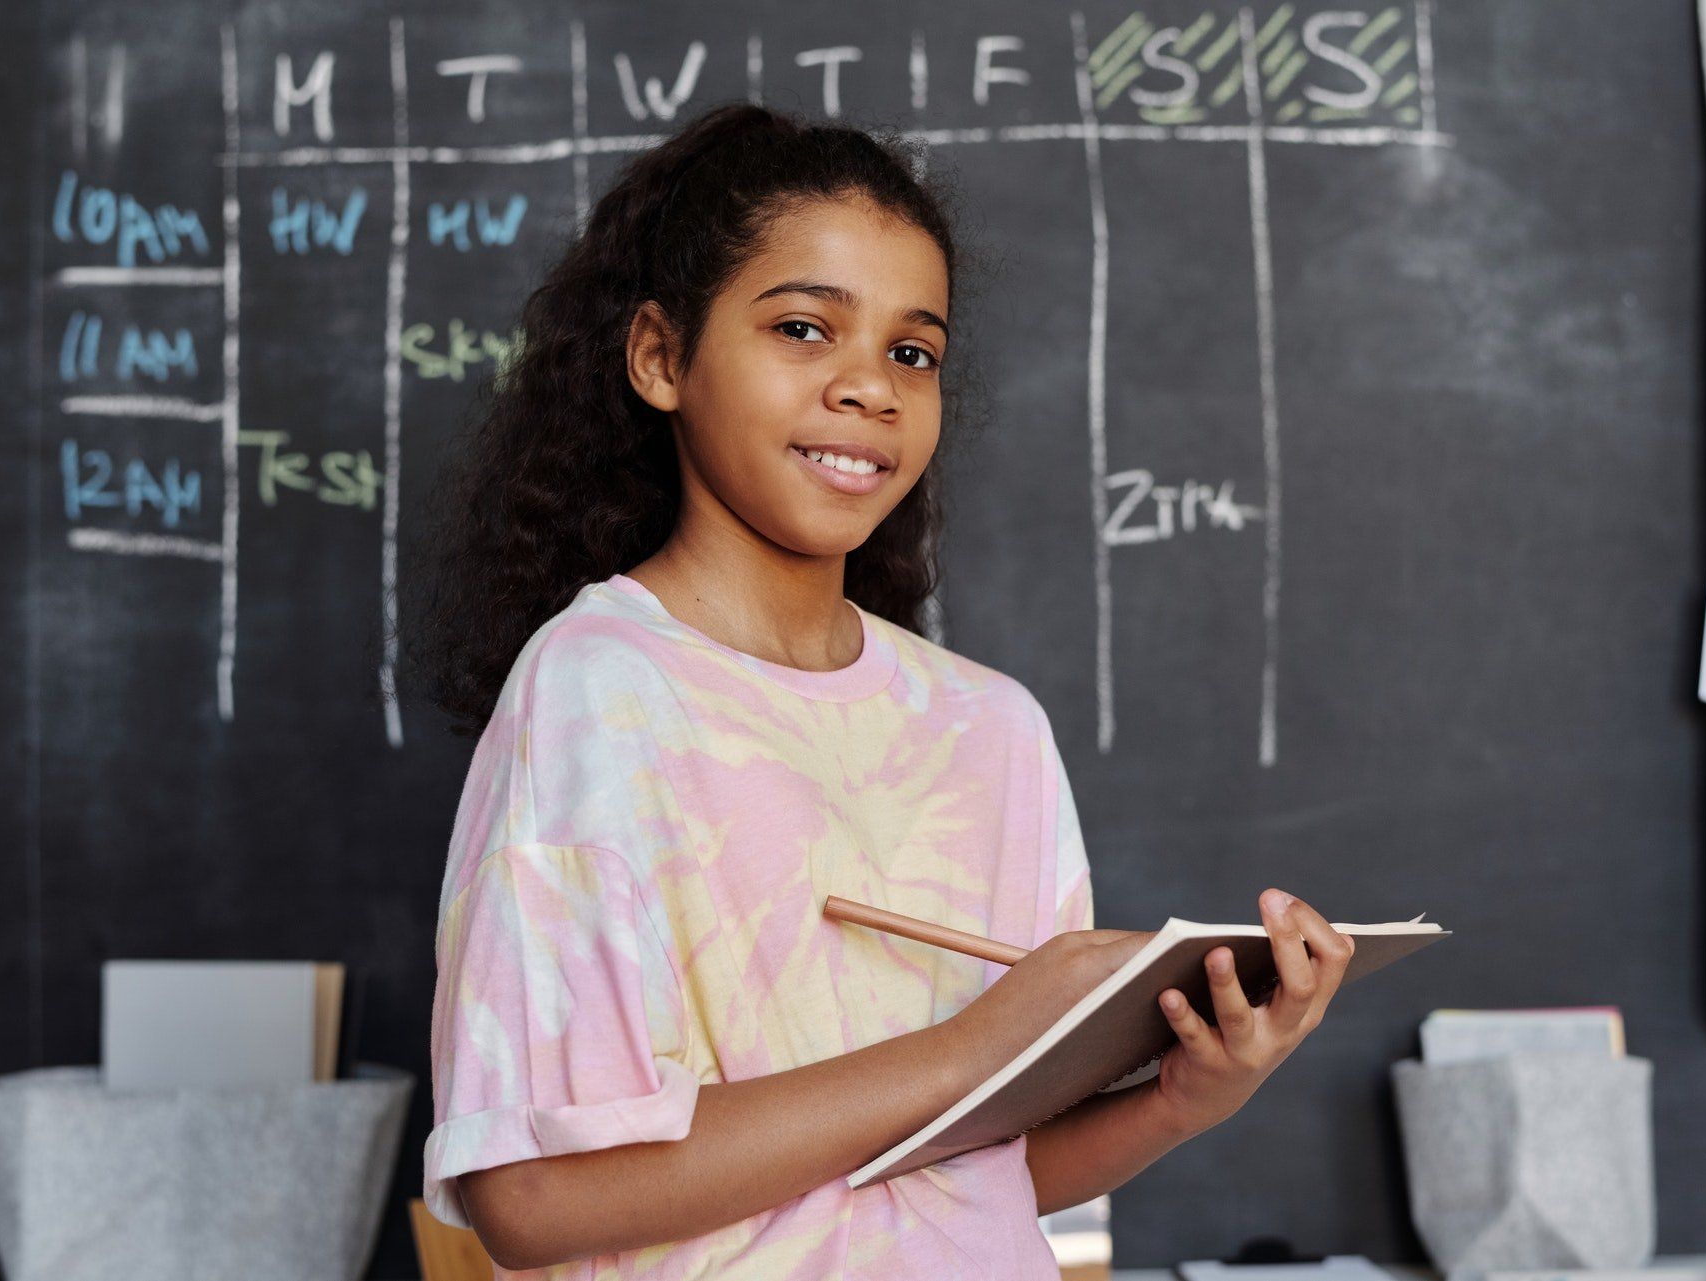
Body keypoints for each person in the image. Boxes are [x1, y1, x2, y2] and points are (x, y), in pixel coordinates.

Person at [402, 101, 1356, 1278]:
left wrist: (1183, 1099)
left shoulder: (990, 727)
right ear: (660, 357)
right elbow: (531, 1199)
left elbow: (982, 1178)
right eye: (805, 328)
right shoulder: (597, 696)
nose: (871, 388)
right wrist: (967, 1050)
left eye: (913, 352)